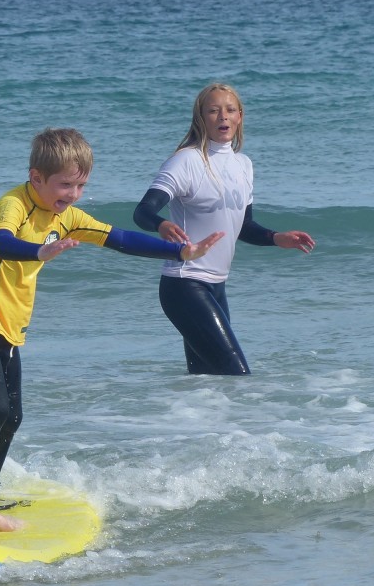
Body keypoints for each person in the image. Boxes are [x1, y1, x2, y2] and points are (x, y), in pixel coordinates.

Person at [0, 127, 223, 539]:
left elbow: (121, 239)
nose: (73, 194)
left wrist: (180, 252)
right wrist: (38, 251)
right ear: (36, 177)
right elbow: (2, 243)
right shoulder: (13, 205)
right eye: (65, 184)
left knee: (13, 416)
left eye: (81, 185)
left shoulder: (67, 217)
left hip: (8, 326)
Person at [133, 83, 315, 375]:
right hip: (185, 284)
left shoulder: (243, 165)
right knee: (236, 375)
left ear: (240, 116)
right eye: (214, 111)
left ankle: (198, 422)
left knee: (208, 383)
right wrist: (162, 224)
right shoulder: (187, 161)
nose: (223, 117)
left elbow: (243, 227)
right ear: (201, 118)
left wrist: (275, 238)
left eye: (230, 110)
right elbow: (142, 212)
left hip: (217, 286)